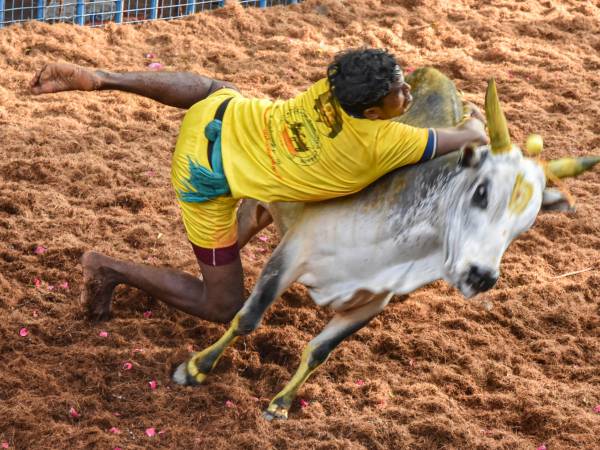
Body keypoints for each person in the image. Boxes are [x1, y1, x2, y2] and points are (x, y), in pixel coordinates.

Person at [30, 48, 488, 324]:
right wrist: (475, 118)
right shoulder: (381, 144)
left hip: (230, 118)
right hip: (202, 178)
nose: (408, 93)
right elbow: (471, 134)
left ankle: (106, 79)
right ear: (370, 112)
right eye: (399, 92)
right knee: (223, 304)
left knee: (217, 89)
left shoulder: (333, 88)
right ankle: (108, 268)